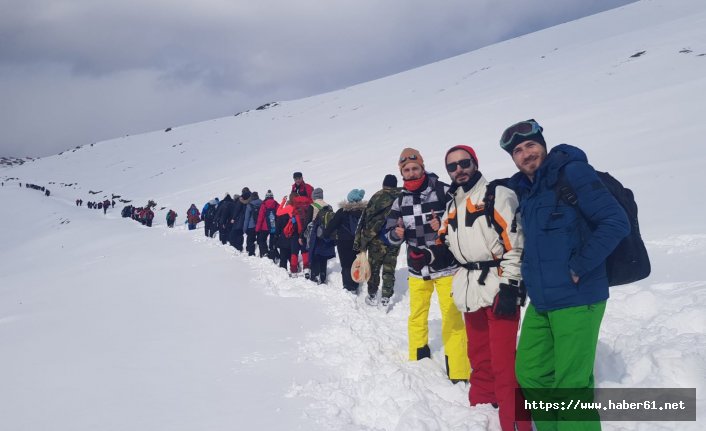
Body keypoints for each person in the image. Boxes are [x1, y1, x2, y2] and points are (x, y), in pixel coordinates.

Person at [499, 119, 629, 430]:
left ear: (543, 145)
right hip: (543, 300)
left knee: (571, 386)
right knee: (531, 372)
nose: (526, 153)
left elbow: (615, 222)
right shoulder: (527, 190)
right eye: (517, 150)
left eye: (531, 145)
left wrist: (579, 267)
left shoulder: (572, 173)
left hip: (578, 295)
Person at [435, 145, 530, 431]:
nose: (459, 170)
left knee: (504, 364)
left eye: (464, 163)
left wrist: (511, 287)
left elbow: (515, 243)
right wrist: (432, 253)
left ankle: (516, 425)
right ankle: (481, 410)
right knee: (478, 355)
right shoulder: (452, 203)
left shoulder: (497, 195)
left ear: (475, 164)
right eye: (452, 166)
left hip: (499, 285)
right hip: (468, 288)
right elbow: (445, 239)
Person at [384, 148, 470, 383]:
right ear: (401, 173)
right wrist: (396, 233)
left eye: (415, 168)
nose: (411, 173)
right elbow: (387, 236)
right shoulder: (399, 201)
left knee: (452, 317)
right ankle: (418, 357)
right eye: (406, 170)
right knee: (417, 315)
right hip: (417, 268)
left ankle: (459, 370)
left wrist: (443, 224)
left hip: (446, 268)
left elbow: (464, 223)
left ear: (422, 167)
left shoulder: (444, 191)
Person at [354, 174, 402, 306]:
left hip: (376, 240)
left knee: (374, 268)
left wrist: (362, 239)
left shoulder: (377, 196)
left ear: (383, 184)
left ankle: (372, 294)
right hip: (394, 238)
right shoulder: (402, 197)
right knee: (389, 268)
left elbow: (366, 219)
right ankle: (386, 297)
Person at [325, 189, 366, 292]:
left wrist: (326, 235)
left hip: (344, 242)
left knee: (346, 265)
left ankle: (348, 287)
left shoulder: (342, 212)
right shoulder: (364, 212)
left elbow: (332, 225)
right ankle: (356, 284)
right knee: (356, 263)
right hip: (359, 241)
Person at [306, 188, 336, 284]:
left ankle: (314, 276)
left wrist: (302, 234)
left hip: (315, 235)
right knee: (323, 256)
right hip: (326, 235)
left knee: (315, 255)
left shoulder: (312, 206)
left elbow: (307, 222)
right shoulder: (329, 206)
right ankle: (323, 277)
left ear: (314, 196)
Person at [256, 190, 279, 259]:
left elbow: (260, 217)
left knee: (262, 240)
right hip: (273, 226)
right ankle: (273, 256)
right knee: (272, 242)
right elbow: (279, 215)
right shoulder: (276, 204)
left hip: (264, 227)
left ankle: (264, 253)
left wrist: (257, 228)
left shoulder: (264, 204)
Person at [243, 192, 262, 256]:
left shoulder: (249, 205)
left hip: (251, 226)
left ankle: (251, 253)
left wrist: (245, 228)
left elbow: (247, 218)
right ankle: (261, 253)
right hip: (260, 225)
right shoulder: (262, 203)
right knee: (260, 240)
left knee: (250, 240)